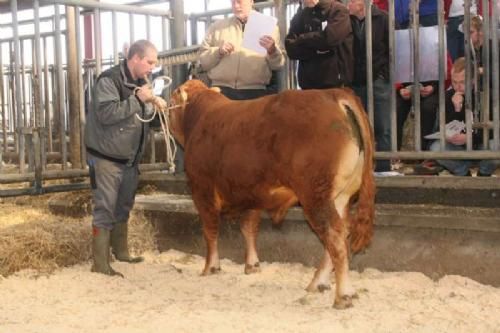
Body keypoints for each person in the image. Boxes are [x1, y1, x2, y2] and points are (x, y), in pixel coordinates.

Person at [84, 39, 166, 276]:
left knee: (123, 206)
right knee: (105, 207)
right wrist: (138, 100)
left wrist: (154, 106)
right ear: (136, 58)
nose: (152, 66)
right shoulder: (109, 80)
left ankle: (121, 252)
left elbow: (144, 117)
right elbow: (106, 114)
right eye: (149, 62)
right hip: (106, 156)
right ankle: (100, 263)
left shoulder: (142, 83)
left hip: (129, 157)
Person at [199, 0, 285, 100]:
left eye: (239, 1)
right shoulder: (216, 27)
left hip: (255, 92)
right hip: (221, 91)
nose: (236, 6)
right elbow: (203, 62)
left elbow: (278, 64)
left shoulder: (270, 27)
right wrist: (218, 52)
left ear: (251, 1)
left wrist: (272, 51)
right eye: (233, 2)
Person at [429, 57, 498, 176]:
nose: (458, 86)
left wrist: (469, 137)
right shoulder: (447, 96)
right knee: (436, 148)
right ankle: (463, 171)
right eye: (454, 82)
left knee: (497, 145)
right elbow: (443, 127)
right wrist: (457, 109)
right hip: (458, 148)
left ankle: (484, 173)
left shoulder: (487, 95)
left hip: (482, 145)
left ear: (473, 80)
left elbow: (494, 129)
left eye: (462, 82)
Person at [347, 0, 394, 174]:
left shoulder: (383, 19)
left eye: (352, 0)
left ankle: (383, 167)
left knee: (382, 125)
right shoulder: (347, 20)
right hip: (356, 80)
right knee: (357, 126)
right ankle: (360, 169)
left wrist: (384, 75)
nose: (348, 4)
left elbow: (392, 49)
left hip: (377, 79)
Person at [285, 0, 354, 89]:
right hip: (307, 84)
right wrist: (318, 49)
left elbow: (330, 39)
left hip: (335, 83)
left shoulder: (338, 10)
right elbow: (290, 49)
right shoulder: (300, 15)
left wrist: (302, 39)